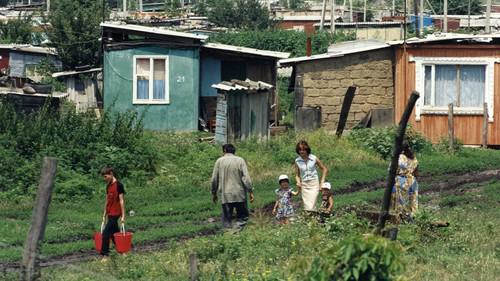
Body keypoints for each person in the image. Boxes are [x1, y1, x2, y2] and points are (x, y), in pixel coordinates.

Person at [211, 144, 254, 230]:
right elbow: (246, 178)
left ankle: (228, 234)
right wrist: (250, 191)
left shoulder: (219, 161)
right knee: (242, 217)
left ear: (224, 151)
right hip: (240, 194)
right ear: (234, 151)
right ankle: (236, 231)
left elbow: (214, 179)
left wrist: (214, 192)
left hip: (226, 195)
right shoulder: (240, 160)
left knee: (227, 218)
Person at [294, 140, 328, 212]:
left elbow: (324, 169)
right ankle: (310, 220)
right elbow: (297, 175)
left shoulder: (313, 158)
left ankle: (313, 220)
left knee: (312, 205)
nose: (302, 152)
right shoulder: (297, 161)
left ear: (307, 149)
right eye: (300, 150)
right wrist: (298, 182)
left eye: (303, 150)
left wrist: (322, 182)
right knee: (307, 206)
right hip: (304, 185)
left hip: (314, 184)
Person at [100, 167, 126, 259]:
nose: (104, 178)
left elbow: (121, 200)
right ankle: (122, 252)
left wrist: (123, 216)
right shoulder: (108, 186)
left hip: (116, 213)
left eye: (105, 176)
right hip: (110, 212)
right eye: (103, 177)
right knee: (114, 233)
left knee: (106, 233)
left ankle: (105, 255)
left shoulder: (119, 185)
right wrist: (104, 214)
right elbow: (107, 201)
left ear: (111, 174)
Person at [390, 141, 419, 221]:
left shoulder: (400, 157)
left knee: (401, 202)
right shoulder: (413, 157)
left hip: (402, 181)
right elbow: (416, 171)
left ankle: (401, 219)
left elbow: (391, 169)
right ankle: (412, 219)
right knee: (412, 201)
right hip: (413, 181)